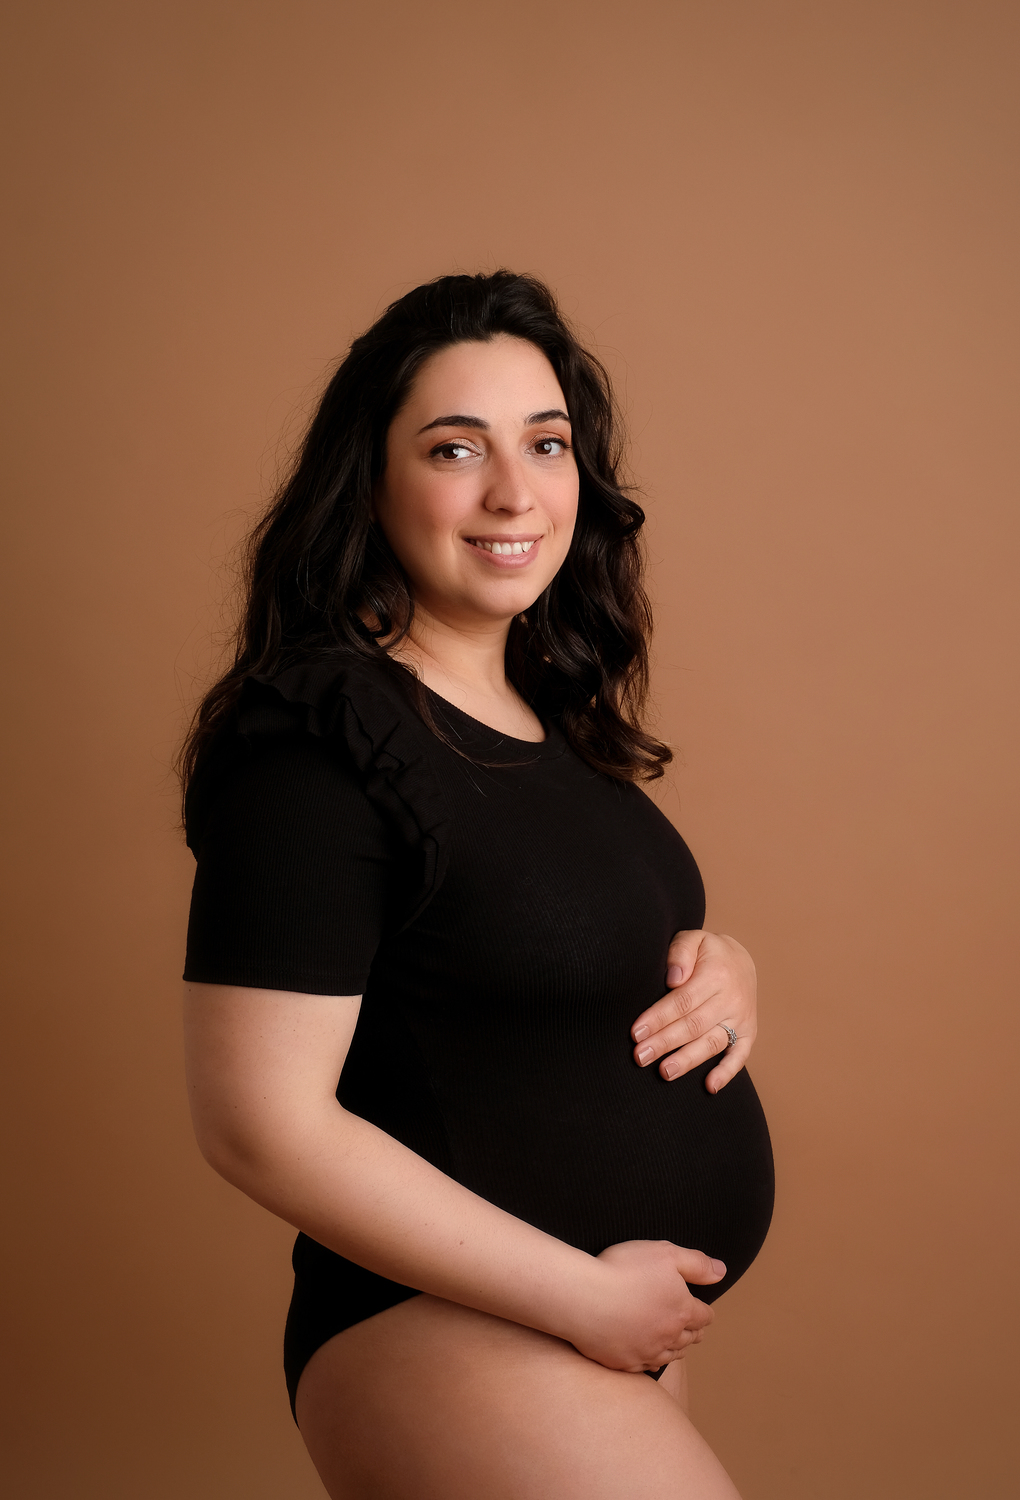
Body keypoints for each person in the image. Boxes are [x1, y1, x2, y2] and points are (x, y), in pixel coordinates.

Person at [180, 271, 774, 1499]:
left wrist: (725, 968)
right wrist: (583, 1298)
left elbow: (527, 953)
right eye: (456, 449)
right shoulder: (320, 741)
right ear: (370, 481)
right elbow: (258, 1123)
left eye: (546, 444)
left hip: (589, 1328)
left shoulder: (550, 719)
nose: (515, 492)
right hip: (456, 1329)